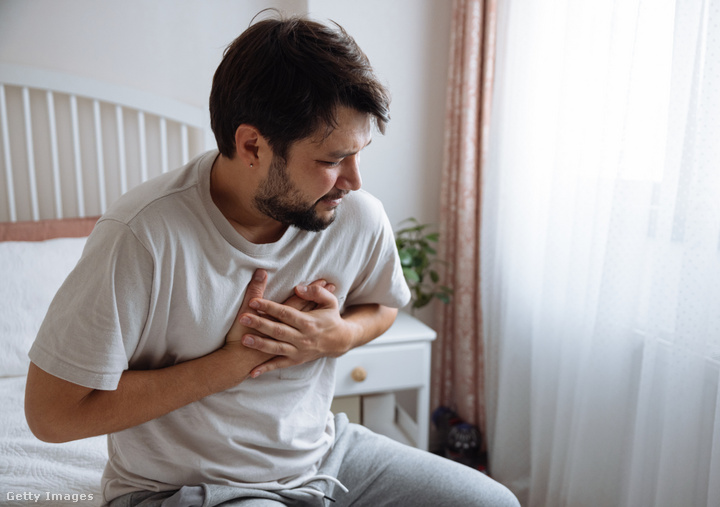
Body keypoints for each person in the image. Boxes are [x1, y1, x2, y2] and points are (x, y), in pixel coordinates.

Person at [24, 13, 519, 507]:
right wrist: (238, 361)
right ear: (252, 145)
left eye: (359, 153)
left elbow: (383, 304)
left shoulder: (355, 215)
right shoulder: (142, 237)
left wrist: (339, 335)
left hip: (325, 459)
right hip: (184, 487)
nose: (354, 180)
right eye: (330, 160)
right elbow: (52, 416)